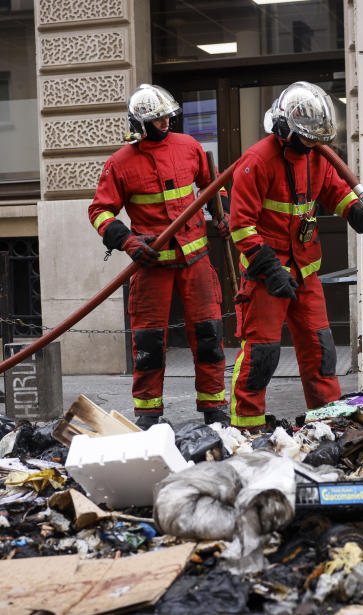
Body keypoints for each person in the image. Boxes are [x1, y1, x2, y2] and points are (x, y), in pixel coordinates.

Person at [228, 81, 363, 429]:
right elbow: (241, 225)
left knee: (321, 352)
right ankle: (246, 429)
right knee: (261, 356)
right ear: (285, 128)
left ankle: (327, 424)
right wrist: (270, 269)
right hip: (265, 278)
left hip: (305, 274)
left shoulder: (316, 156)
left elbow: (337, 192)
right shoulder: (255, 162)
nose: (312, 145)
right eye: (306, 138)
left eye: (317, 139)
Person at [88, 84, 230, 429]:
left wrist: (223, 214)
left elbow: (213, 186)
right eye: (158, 118)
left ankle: (213, 407)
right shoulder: (120, 163)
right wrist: (128, 241)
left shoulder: (190, 147)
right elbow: (99, 212)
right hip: (151, 266)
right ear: (140, 124)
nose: (166, 122)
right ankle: (148, 413)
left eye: (168, 116)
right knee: (148, 343)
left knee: (209, 335)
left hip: (196, 262)